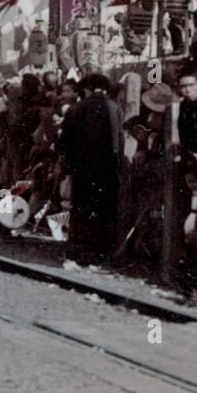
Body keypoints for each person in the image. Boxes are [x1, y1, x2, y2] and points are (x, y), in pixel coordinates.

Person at [59, 73, 123, 265]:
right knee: (103, 210)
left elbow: (65, 140)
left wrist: (68, 166)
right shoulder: (115, 108)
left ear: (86, 89)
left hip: (83, 168)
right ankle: (100, 253)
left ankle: (76, 251)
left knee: (80, 210)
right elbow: (118, 139)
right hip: (108, 168)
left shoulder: (76, 109)